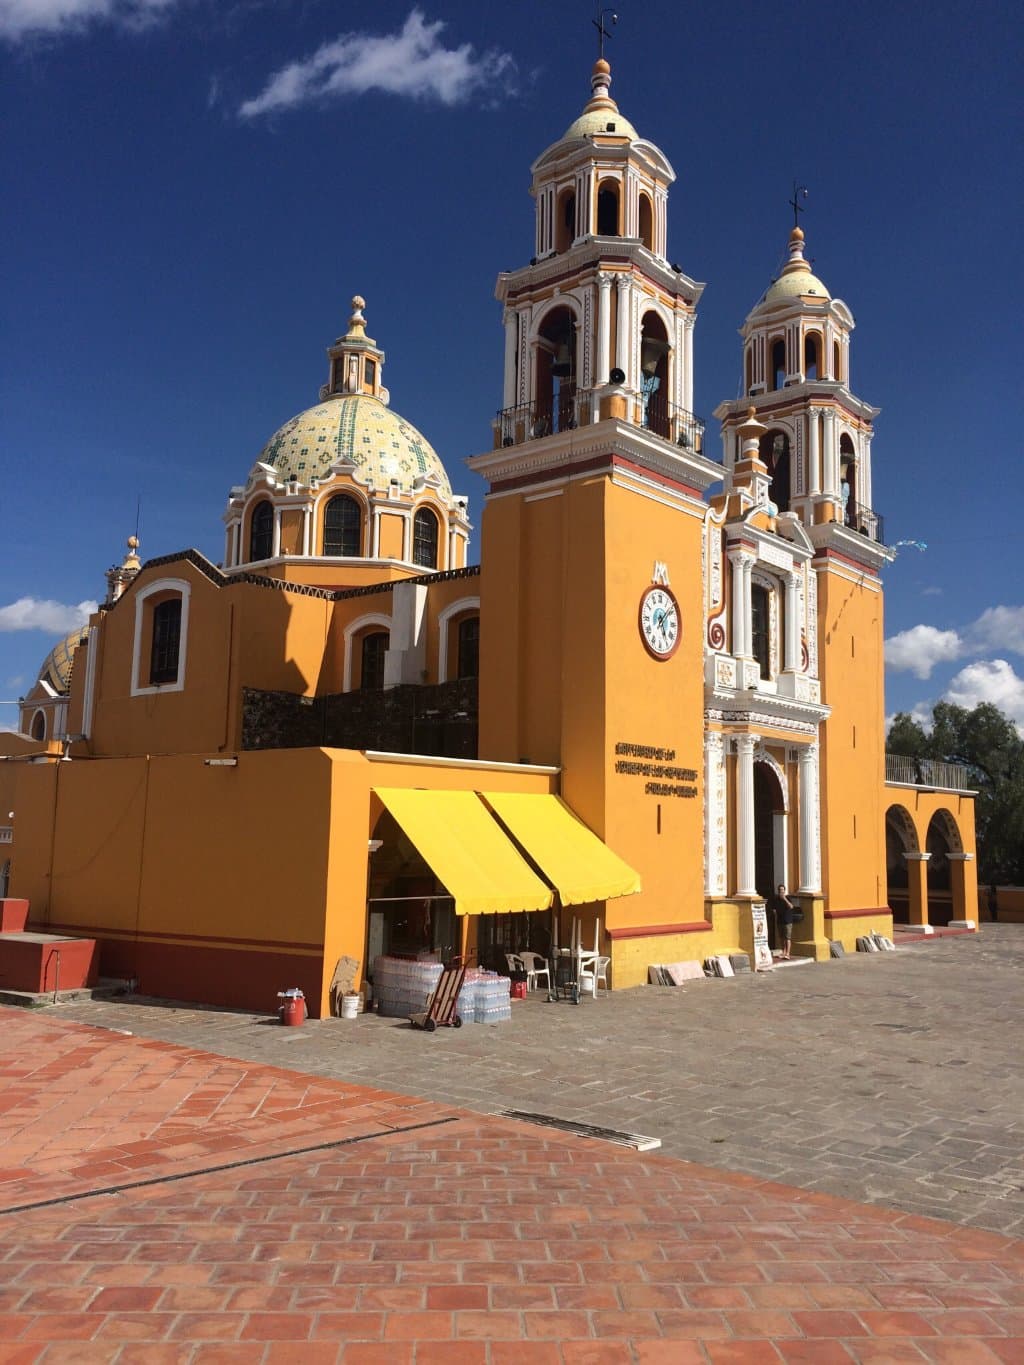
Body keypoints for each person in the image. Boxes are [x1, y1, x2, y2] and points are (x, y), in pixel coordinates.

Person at [769, 883, 798, 959]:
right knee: (781, 938)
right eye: (779, 890)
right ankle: (783, 952)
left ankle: (788, 953)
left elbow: (791, 906)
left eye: (782, 890)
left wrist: (784, 899)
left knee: (787, 938)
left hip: (787, 921)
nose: (781, 892)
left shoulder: (788, 898)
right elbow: (774, 908)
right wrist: (774, 911)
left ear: (784, 891)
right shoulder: (776, 899)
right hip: (780, 921)